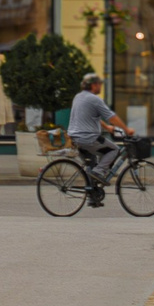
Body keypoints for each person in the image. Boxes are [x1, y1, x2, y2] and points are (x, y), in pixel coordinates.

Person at [65, 71, 131, 207]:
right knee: (114, 149)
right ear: (94, 85)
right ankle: (99, 172)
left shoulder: (79, 97)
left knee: (91, 164)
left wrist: (107, 127)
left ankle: (93, 197)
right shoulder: (95, 99)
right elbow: (112, 117)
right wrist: (127, 129)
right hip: (88, 138)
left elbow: (91, 117)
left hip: (75, 138)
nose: (101, 86)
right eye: (100, 84)